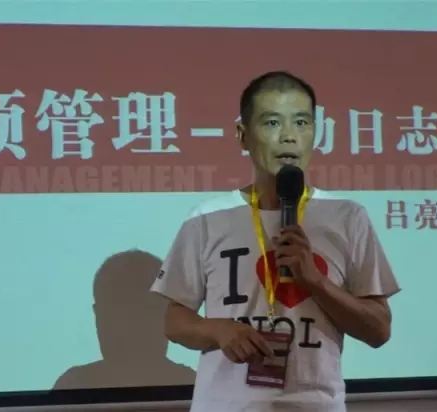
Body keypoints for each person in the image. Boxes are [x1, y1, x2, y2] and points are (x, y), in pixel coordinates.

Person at [150, 71, 400, 412]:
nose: (289, 136)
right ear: (243, 135)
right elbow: (175, 322)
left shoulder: (347, 217)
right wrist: (220, 331)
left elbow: (379, 329)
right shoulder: (206, 218)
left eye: (301, 122)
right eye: (271, 123)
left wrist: (315, 281)